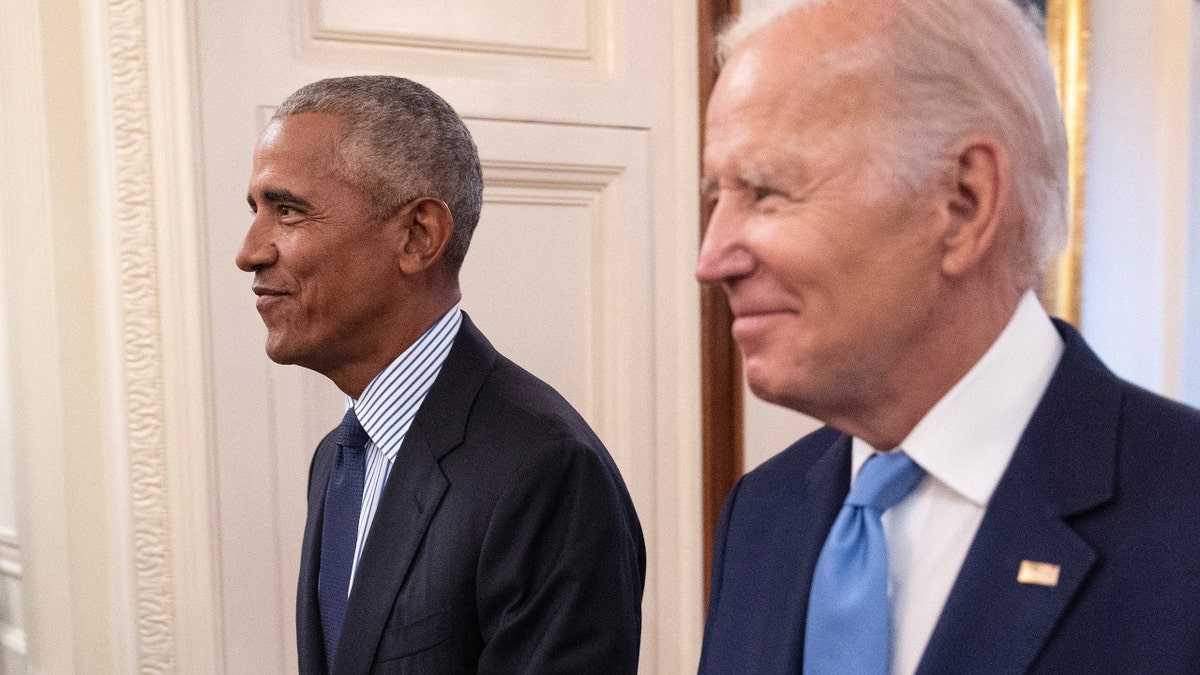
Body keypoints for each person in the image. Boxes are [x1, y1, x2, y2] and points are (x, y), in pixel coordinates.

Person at [695, 0, 1200, 673]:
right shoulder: (763, 514)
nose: (712, 257)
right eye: (715, 196)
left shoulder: (1182, 514)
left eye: (766, 190)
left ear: (964, 201)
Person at [235, 76, 645, 674]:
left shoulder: (547, 469)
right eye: (256, 211)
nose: (250, 250)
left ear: (418, 235)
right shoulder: (340, 458)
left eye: (288, 210)